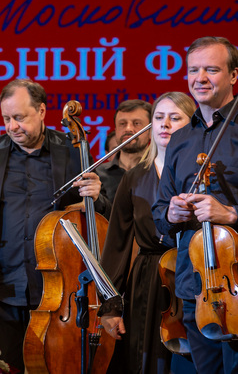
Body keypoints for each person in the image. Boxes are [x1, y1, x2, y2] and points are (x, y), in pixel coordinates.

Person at [0, 78, 111, 371]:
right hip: (1, 287)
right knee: (1, 367)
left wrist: (96, 197)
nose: (13, 126)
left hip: (56, 287)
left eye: (20, 117)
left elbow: (98, 209)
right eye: (7, 119)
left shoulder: (72, 149)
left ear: (41, 111)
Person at [153, 36, 238, 373]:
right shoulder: (180, 139)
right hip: (196, 286)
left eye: (211, 70)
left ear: (233, 75)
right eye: (193, 70)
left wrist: (231, 213)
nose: (200, 78)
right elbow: (160, 214)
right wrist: (171, 213)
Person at [100, 92, 196, 374]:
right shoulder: (134, 176)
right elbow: (117, 245)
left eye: (175, 117)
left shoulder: (202, 173)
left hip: (194, 276)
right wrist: (110, 306)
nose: (164, 124)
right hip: (148, 281)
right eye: (159, 117)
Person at [97, 99, 152, 202]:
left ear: (151, 132)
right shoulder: (98, 175)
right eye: (122, 124)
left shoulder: (161, 171)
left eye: (136, 123)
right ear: (116, 130)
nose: (128, 129)